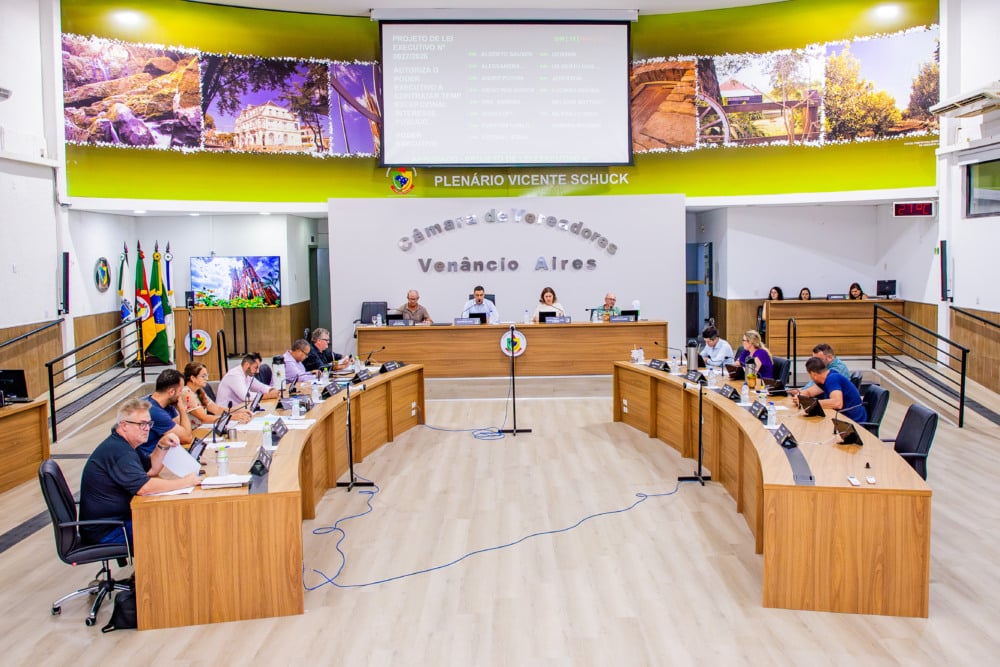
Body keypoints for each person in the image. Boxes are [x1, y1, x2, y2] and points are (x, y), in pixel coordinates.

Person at [79, 397, 199, 547]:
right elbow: (144, 487)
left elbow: (151, 470)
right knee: (172, 529)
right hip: (109, 531)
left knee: (173, 522)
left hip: (117, 522)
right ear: (124, 425)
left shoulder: (126, 445)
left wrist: (162, 445)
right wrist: (185, 482)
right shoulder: (118, 452)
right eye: (142, 424)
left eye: (149, 424)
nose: (147, 428)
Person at [793, 357, 867, 423]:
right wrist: (800, 397)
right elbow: (809, 392)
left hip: (853, 421)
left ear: (813, 374)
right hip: (843, 418)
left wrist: (810, 403)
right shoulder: (826, 378)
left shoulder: (832, 379)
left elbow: (837, 403)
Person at [139, 369, 193, 456]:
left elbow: (182, 429)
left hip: (163, 454)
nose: (181, 395)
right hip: (149, 459)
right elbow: (187, 438)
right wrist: (182, 410)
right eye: (180, 391)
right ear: (171, 392)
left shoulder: (167, 405)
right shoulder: (154, 411)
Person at [180, 362, 251, 427]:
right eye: (203, 376)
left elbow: (216, 409)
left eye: (207, 375)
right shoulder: (186, 393)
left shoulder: (199, 390)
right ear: (193, 378)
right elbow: (204, 418)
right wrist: (233, 417)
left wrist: (239, 411)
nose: (207, 379)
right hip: (194, 432)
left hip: (202, 428)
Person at [215, 353, 280, 409]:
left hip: (239, 409)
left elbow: (260, 387)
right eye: (256, 368)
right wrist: (269, 395)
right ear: (247, 365)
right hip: (226, 413)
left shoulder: (248, 374)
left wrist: (271, 390)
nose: (257, 371)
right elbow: (246, 397)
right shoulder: (235, 375)